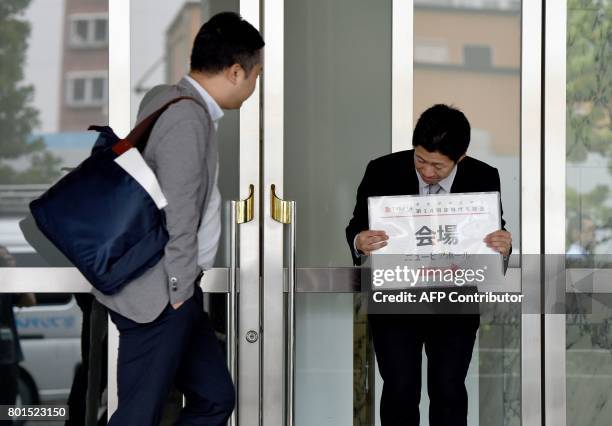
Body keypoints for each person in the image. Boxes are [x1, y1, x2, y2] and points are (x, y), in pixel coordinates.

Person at [91, 12, 264, 425]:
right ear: (236, 71)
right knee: (138, 414)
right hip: (164, 292)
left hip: (173, 286)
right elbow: (179, 211)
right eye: (256, 75)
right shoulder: (187, 117)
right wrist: (180, 290)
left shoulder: (166, 98)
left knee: (215, 397)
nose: (256, 86)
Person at [346, 104, 512, 426]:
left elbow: (494, 232)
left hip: (454, 302)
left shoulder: (483, 176)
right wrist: (359, 242)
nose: (427, 172)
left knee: (449, 391)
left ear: (460, 158)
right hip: (396, 300)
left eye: (438, 166)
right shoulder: (382, 170)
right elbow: (356, 226)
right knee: (399, 391)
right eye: (420, 160)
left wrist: (503, 247)